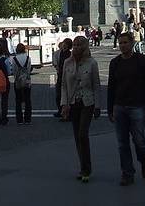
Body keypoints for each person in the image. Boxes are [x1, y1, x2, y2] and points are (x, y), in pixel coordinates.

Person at [107, 32, 145, 186]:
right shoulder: (114, 63)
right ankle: (127, 173)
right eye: (120, 43)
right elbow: (111, 87)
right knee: (122, 143)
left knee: (139, 140)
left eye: (125, 43)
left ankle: (144, 161)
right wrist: (110, 109)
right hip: (119, 106)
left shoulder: (141, 60)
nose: (122, 46)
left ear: (132, 43)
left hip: (137, 105)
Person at [61, 36, 101, 183]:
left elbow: (96, 85)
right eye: (75, 45)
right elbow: (64, 85)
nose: (76, 47)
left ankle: (86, 168)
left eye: (79, 45)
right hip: (73, 103)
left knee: (83, 134)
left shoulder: (92, 63)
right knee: (77, 136)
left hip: (87, 102)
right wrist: (64, 104)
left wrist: (97, 106)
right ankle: (83, 166)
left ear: (85, 47)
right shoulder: (67, 62)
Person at [12, 43, 33, 125]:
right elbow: (28, 69)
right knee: (28, 100)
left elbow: (13, 71)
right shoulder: (28, 58)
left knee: (18, 100)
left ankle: (19, 119)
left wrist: (16, 77)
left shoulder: (14, 59)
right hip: (27, 81)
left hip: (18, 81)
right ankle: (28, 118)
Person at [54, 38, 73, 119]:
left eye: (65, 43)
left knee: (65, 95)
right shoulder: (60, 53)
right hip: (60, 75)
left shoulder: (70, 54)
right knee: (59, 95)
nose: (63, 45)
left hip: (67, 76)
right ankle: (61, 110)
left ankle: (66, 113)